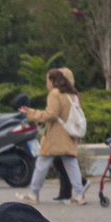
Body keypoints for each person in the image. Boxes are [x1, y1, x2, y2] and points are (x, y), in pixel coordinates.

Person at [22, 68, 86, 206]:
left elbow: (51, 114)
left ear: (52, 81)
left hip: (55, 136)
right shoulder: (72, 94)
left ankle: (33, 193)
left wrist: (32, 113)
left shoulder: (55, 94)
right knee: (71, 164)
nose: (47, 83)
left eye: (47, 80)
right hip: (69, 135)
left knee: (42, 164)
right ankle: (80, 194)